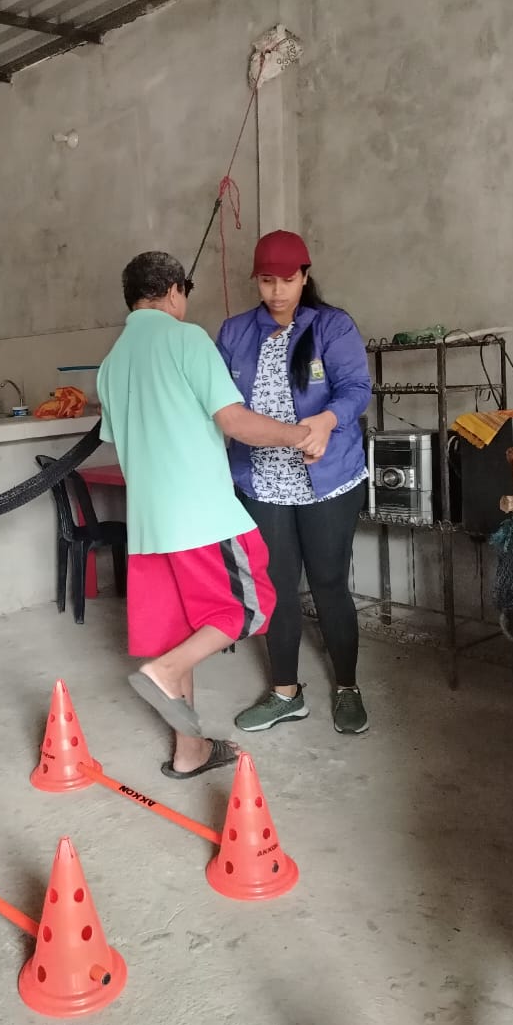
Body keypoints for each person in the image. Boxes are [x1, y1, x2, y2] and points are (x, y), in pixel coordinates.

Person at [97, 251, 323, 778]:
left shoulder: (111, 364)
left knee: (180, 630)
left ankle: (190, 750)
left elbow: (119, 438)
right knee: (253, 604)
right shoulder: (188, 339)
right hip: (201, 516)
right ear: (175, 290)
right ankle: (166, 671)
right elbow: (234, 421)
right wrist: (300, 435)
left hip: (148, 528)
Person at [216, 230, 373, 735]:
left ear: (305, 276)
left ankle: (346, 686)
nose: (277, 291)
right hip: (262, 482)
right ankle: (286, 693)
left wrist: (327, 421)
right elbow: (218, 402)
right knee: (277, 587)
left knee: (328, 583)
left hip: (327, 478)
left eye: (287, 280)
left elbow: (357, 388)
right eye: (267, 281)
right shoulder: (236, 332)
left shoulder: (332, 325)